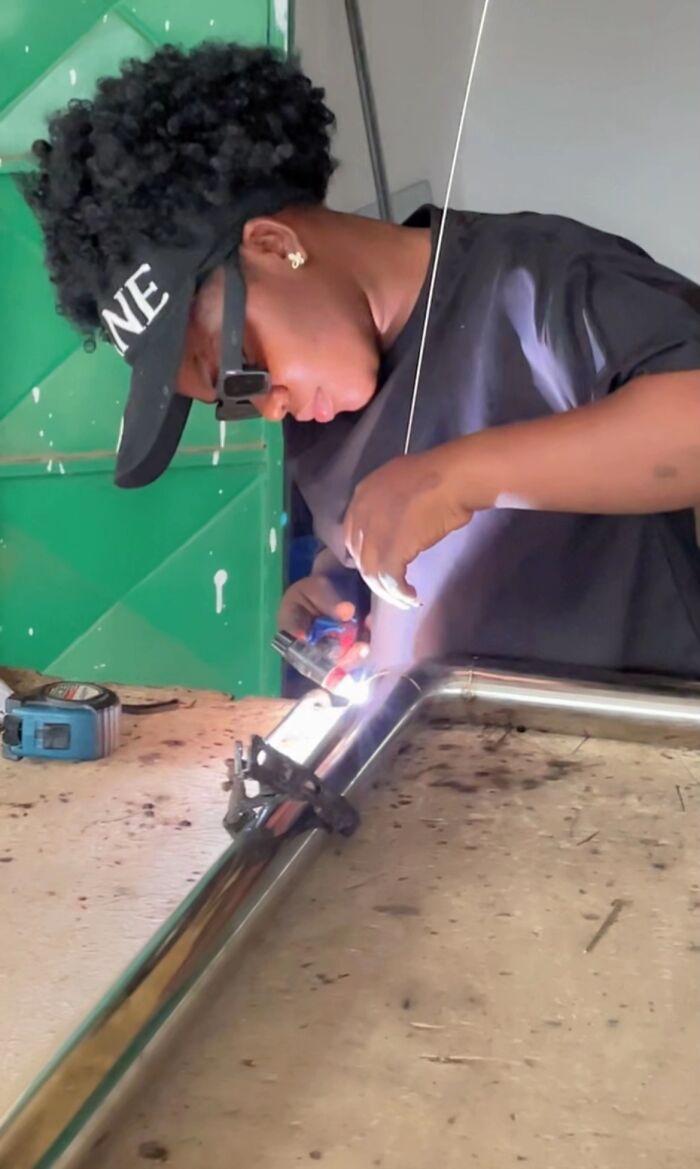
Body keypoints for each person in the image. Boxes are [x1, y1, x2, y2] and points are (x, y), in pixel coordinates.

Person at [23, 41, 700, 678]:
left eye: (239, 367)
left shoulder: (540, 283)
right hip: (471, 782)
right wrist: (338, 590)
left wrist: (461, 477)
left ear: (273, 244)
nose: (267, 403)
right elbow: (391, 549)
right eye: (230, 399)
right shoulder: (317, 422)